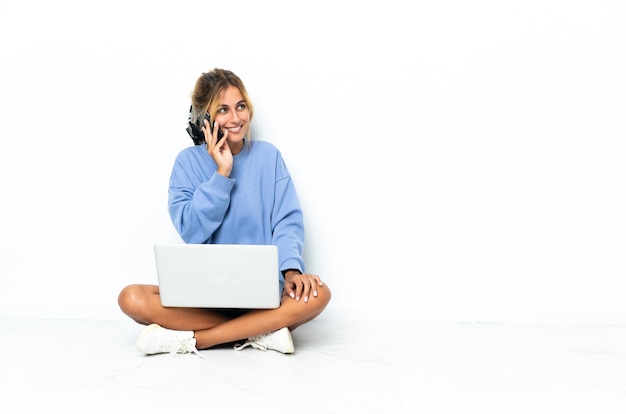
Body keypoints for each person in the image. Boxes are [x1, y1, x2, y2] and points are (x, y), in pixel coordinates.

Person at [118, 68, 331, 355]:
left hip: (264, 295)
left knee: (320, 294)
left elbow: (286, 221)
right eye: (223, 110)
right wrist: (222, 173)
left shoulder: (269, 157)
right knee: (131, 297)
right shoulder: (187, 163)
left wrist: (292, 271)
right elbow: (192, 231)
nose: (235, 118)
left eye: (240, 106)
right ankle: (260, 331)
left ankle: (198, 340)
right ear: (205, 119)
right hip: (204, 298)